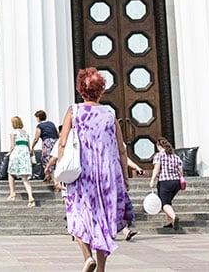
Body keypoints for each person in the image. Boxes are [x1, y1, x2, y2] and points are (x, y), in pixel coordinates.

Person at [59, 67, 131, 272]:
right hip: (107, 174)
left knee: (77, 215)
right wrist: (124, 178)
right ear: (101, 91)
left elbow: (63, 142)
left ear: (81, 89)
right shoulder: (109, 113)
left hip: (82, 173)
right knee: (102, 221)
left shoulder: (75, 111)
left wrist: (60, 172)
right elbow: (121, 149)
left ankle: (87, 257)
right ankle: (101, 268)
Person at [149, 137, 184, 231]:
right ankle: (168, 222)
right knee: (168, 201)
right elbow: (181, 170)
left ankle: (174, 217)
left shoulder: (159, 155)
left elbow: (156, 168)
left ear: (158, 146)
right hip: (176, 182)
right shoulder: (175, 156)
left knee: (163, 203)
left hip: (165, 181)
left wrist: (152, 179)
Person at [6, 116, 35, 207]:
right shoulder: (26, 133)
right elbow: (30, 148)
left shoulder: (13, 133)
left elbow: (12, 146)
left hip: (16, 154)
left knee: (11, 173)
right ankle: (30, 197)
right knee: (25, 179)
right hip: (25, 155)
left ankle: (12, 193)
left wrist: (9, 153)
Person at [32, 110, 59, 183]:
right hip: (55, 142)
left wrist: (32, 147)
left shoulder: (40, 126)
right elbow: (57, 133)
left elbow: (36, 138)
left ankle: (55, 182)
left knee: (47, 160)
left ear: (38, 118)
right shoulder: (51, 124)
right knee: (54, 160)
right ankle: (48, 176)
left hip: (47, 143)